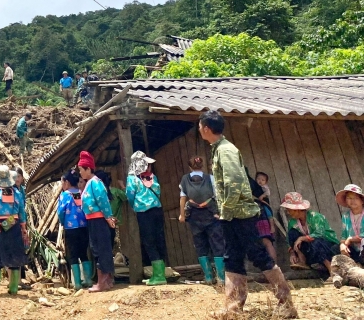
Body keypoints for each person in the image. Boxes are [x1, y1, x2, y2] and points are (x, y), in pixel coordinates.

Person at [198, 109, 296, 318]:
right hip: (232, 214)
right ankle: (234, 307)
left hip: (240, 213)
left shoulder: (226, 150)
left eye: (200, 126)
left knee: (256, 254)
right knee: (231, 257)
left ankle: (286, 301)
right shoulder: (218, 148)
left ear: (206, 128)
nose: (199, 129)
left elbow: (234, 182)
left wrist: (226, 209)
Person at [178, 156, 226, 284]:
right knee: (217, 244)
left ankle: (208, 277)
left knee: (200, 244)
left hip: (194, 217)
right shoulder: (210, 178)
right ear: (202, 166)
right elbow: (218, 196)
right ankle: (221, 278)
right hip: (211, 214)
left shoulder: (184, 179)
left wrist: (182, 215)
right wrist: (220, 212)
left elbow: (183, 198)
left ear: (189, 167)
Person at [125, 151, 169, 286]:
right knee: (159, 239)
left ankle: (159, 276)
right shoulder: (152, 177)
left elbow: (130, 196)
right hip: (157, 210)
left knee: (149, 242)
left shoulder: (132, 179)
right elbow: (159, 192)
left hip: (144, 213)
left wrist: (135, 206)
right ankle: (160, 273)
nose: (149, 167)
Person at [0, 165, 29, 296]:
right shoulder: (16, 193)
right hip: (14, 223)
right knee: (14, 254)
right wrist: (23, 227)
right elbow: (22, 211)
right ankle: (14, 288)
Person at [78, 151, 116, 292]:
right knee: (98, 249)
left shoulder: (95, 183)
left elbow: (103, 201)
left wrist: (108, 217)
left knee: (101, 249)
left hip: (99, 219)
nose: (80, 173)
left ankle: (102, 283)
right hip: (93, 220)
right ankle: (106, 281)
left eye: (81, 170)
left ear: (88, 169)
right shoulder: (90, 183)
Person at [282, 192, 339, 277]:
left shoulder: (315, 217)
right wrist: (293, 253)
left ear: (297, 209)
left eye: (289, 210)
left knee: (317, 242)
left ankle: (332, 271)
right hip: (311, 250)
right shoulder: (292, 222)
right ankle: (302, 262)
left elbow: (320, 233)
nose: (288, 212)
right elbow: (288, 240)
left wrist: (301, 238)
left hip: (329, 247)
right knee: (292, 233)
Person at [57, 169, 93, 290]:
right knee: (83, 253)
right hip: (84, 227)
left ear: (67, 182)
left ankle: (77, 283)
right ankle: (88, 280)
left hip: (71, 228)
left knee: (72, 255)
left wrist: (63, 222)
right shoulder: (81, 192)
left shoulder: (65, 195)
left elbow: (61, 212)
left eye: (62, 182)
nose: (62, 185)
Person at [251, 171, 277, 262]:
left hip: (264, 223)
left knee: (267, 242)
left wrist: (272, 226)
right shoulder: (255, 200)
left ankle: (274, 265)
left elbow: (268, 212)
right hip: (257, 223)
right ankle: (269, 266)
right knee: (262, 244)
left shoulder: (264, 195)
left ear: (266, 182)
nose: (260, 181)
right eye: (258, 179)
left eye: (263, 180)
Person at [336, 184, 364, 265]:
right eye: (349, 198)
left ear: (362, 200)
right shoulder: (346, 216)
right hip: (354, 250)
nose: (352, 200)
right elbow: (344, 235)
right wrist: (342, 245)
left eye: (356, 198)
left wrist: (351, 239)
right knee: (335, 248)